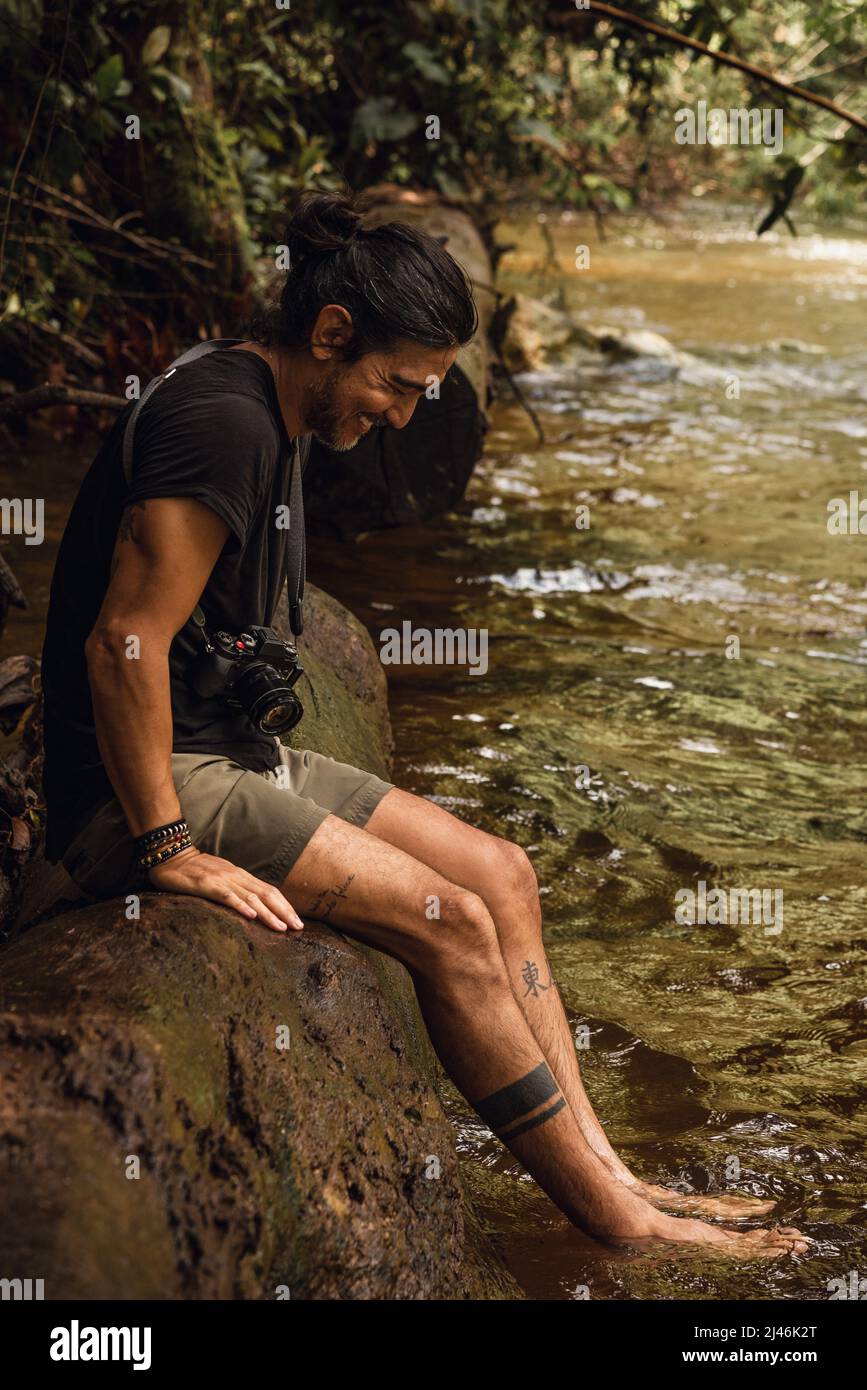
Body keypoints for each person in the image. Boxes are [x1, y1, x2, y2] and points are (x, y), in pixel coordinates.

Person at [41, 190, 807, 1259]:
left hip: (231, 748)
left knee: (502, 876)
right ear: (331, 333)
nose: (403, 415)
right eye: (398, 385)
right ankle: (623, 1227)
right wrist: (166, 846)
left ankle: (615, 1173)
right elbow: (120, 641)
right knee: (447, 920)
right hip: (148, 783)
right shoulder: (220, 421)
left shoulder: (274, 402)